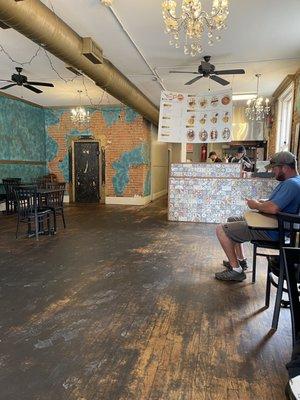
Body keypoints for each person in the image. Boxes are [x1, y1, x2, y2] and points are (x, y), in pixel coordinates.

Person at [214, 151, 300, 282]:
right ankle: (241, 261)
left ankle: (236, 270)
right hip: (274, 225)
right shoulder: (293, 182)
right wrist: (262, 202)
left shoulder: (291, 184)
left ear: (285, 168)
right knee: (231, 220)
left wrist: (255, 205)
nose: (273, 172)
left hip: (272, 231)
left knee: (220, 230)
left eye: (275, 169)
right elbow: (277, 204)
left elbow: (273, 208)